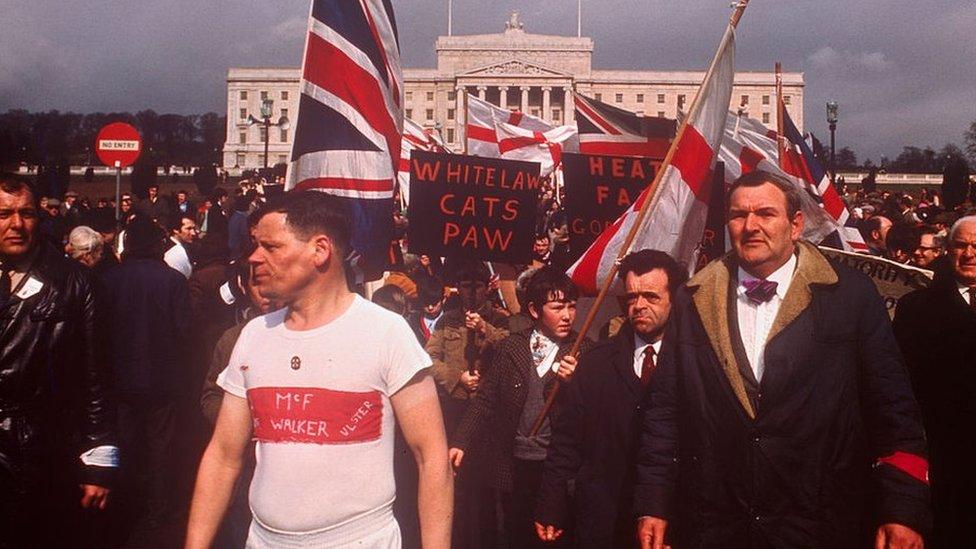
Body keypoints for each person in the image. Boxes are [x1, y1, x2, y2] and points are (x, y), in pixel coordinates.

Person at [634, 170, 930, 549]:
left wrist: (903, 509)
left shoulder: (851, 296)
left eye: (765, 213)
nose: (751, 226)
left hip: (822, 521)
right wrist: (652, 503)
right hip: (717, 523)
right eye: (739, 215)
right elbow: (665, 412)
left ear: (795, 225)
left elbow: (894, 409)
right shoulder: (692, 300)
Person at [186, 191, 452, 549]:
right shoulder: (252, 337)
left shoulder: (386, 333)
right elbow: (222, 456)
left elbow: (432, 458)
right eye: (254, 246)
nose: (254, 258)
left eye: (271, 247)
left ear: (320, 250)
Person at [534, 250, 686, 548]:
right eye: (631, 298)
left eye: (651, 297)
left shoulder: (694, 363)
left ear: (674, 299)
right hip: (604, 520)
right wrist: (551, 502)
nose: (639, 306)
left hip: (670, 523)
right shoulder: (594, 364)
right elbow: (566, 441)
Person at [0, 175, 117, 548]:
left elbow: (97, 375)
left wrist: (98, 460)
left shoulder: (75, 283)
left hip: (40, 451)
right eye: (3, 213)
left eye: (27, 213)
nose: (16, 224)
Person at [450, 266, 591, 548]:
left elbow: (593, 414)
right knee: (516, 533)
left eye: (572, 307)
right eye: (557, 307)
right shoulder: (512, 347)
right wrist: (461, 440)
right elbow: (487, 399)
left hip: (557, 469)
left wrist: (577, 383)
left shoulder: (584, 350)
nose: (567, 315)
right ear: (535, 310)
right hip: (514, 466)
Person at [101, 217, 193, 543]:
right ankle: (158, 509)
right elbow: (185, 333)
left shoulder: (109, 280)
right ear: (156, 245)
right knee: (161, 446)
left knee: (125, 444)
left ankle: (126, 504)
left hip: (120, 378)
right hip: (162, 379)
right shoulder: (172, 281)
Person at [894, 215, 976, 548]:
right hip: (944, 457)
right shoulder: (916, 308)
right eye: (961, 245)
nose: (969, 253)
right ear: (947, 250)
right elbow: (900, 384)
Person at [164, 214, 199, 279]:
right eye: (188, 229)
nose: (193, 233)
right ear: (176, 230)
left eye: (194, 228)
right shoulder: (170, 251)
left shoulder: (188, 247)